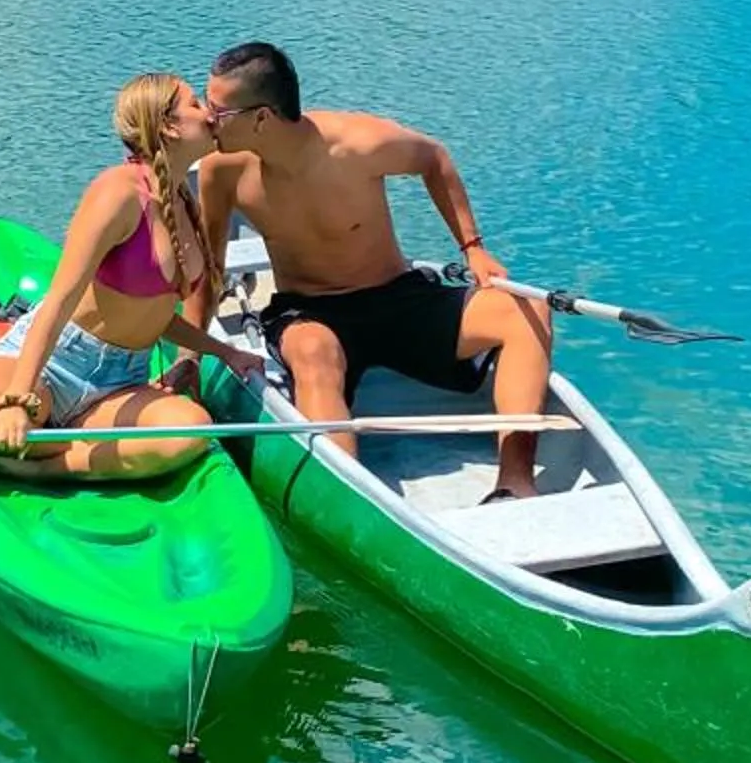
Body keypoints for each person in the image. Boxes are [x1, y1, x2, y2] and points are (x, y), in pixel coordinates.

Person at [195, 40, 561, 498]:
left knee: (524, 310)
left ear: (262, 117)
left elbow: (434, 158)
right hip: (310, 311)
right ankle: (355, 499)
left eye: (218, 110)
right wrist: (193, 355)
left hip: (397, 297)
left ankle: (516, 481)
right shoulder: (219, 172)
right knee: (312, 351)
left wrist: (473, 247)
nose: (206, 119)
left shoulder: (357, 143)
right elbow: (211, 273)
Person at [0, 74, 264, 479]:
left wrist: (224, 352)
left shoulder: (183, 197)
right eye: (197, 105)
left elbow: (156, 317)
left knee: (190, 432)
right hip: (57, 361)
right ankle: (71, 435)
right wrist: (17, 400)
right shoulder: (119, 193)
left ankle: (52, 466)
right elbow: (59, 300)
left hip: (124, 380)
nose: (211, 113)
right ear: (168, 125)